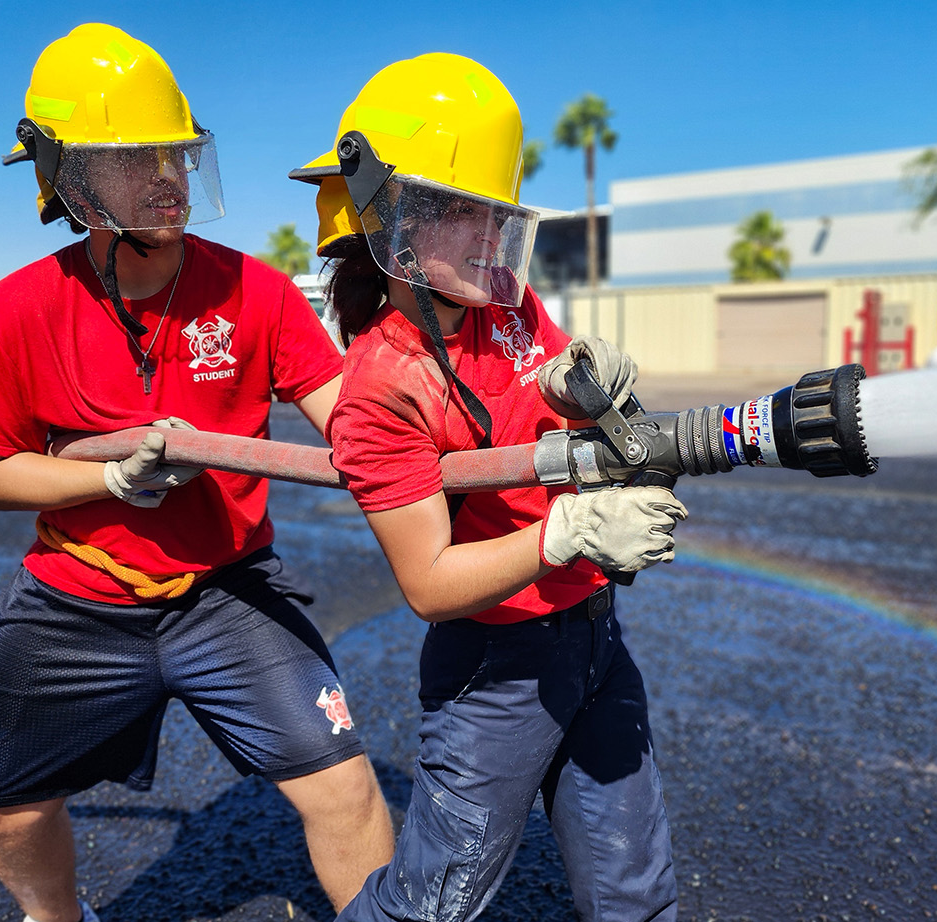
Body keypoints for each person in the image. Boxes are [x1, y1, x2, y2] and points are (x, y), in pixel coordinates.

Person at [0, 24, 394, 922]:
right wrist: (106, 482)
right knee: (3, 814)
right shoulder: (18, 309)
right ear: (68, 177)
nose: (168, 177)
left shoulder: (253, 292)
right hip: (79, 594)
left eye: (178, 154)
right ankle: (56, 917)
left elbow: (351, 417)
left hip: (227, 590)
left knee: (344, 789)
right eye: (136, 157)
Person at [290, 53, 686, 922]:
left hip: (593, 639)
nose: (484, 233)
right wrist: (567, 536)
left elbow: (529, 385)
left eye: (492, 211)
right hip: (496, 671)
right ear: (383, 214)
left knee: (637, 898)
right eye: (454, 208)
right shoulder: (380, 385)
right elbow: (430, 583)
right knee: (433, 906)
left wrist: (565, 383)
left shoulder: (504, 301)